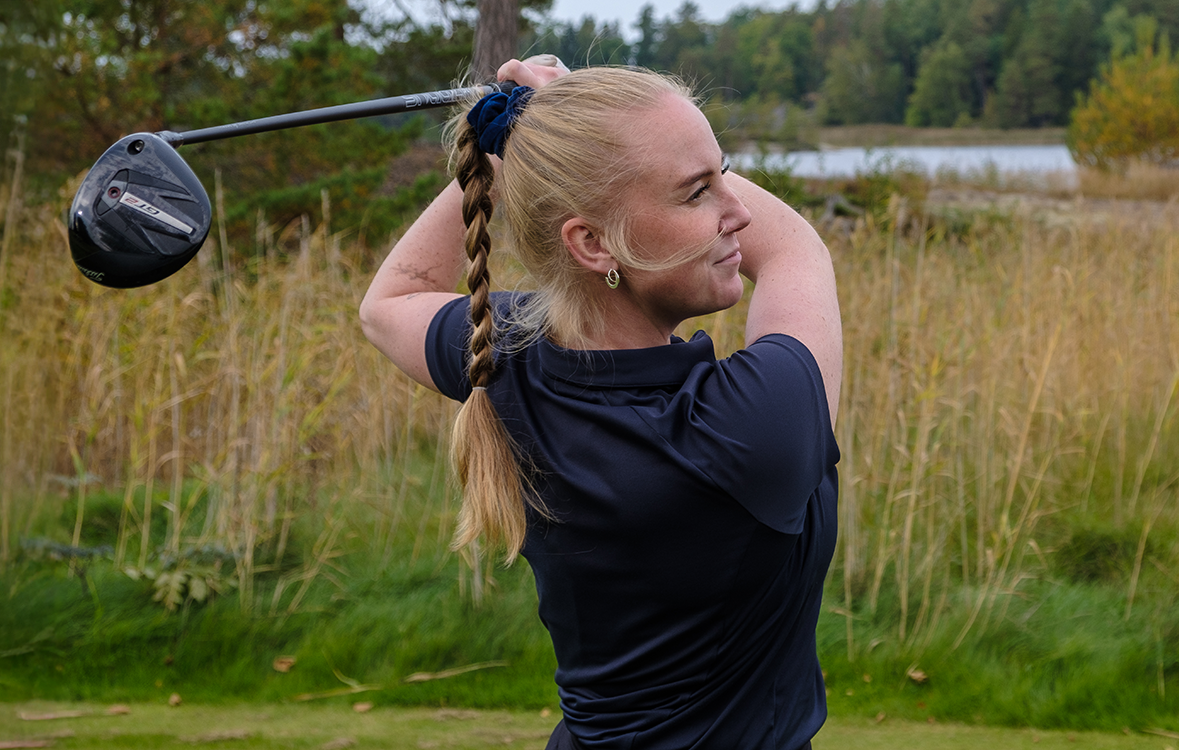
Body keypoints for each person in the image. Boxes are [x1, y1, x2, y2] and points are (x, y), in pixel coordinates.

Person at [359, 56, 842, 750]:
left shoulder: (514, 360)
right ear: (590, 242)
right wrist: (534, 134)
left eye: (724, 172)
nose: (737, 210)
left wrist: (514, 143)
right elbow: (795, 249)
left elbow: (391, 300)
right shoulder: (747, 428)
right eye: (698, 191)